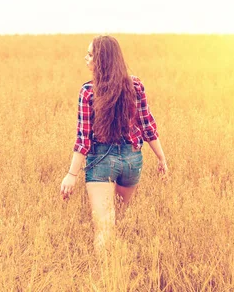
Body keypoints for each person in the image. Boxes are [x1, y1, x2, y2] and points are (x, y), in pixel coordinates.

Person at [60, 35, 169, 252]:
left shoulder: (88, 91)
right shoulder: (135, 85)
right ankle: (122, 266)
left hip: (100, 160)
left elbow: (83, 139)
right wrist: (162, 158)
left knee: (104, 228)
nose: (86, 58)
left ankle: (106, 278)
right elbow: (148, 126)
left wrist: (71, 175)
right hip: (132, 161)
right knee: (119, 216)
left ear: (101, 59)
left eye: (90, 54)